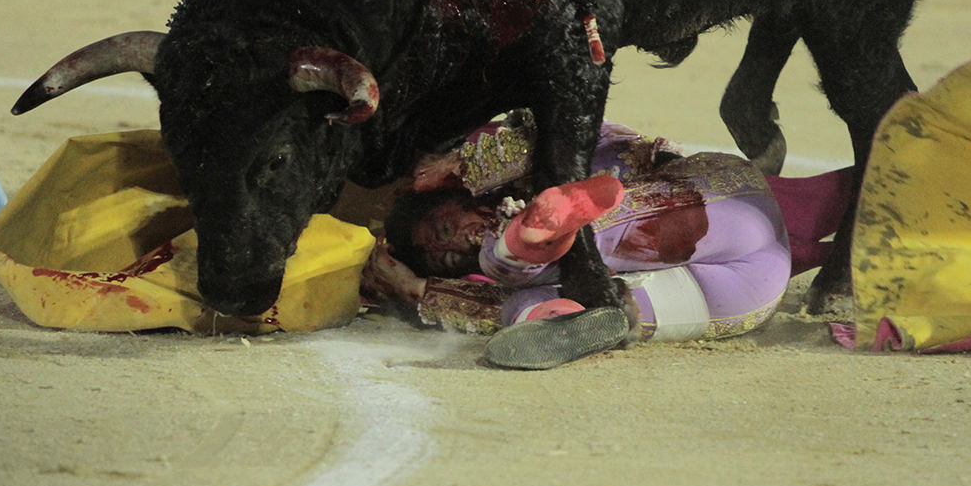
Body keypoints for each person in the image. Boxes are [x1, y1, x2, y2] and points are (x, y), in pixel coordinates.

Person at [361, 113, 853, 369]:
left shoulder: (518, 155)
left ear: (465, 196)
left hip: (716, 204)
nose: (457, 246)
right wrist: (418, 291)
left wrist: (464, 164)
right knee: (530, 305)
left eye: (447, 228)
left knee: (571, 234)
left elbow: (587, 136)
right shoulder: (487, 270)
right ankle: (563, 313)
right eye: (446, 259)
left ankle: (537, 235)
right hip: (745, 292)